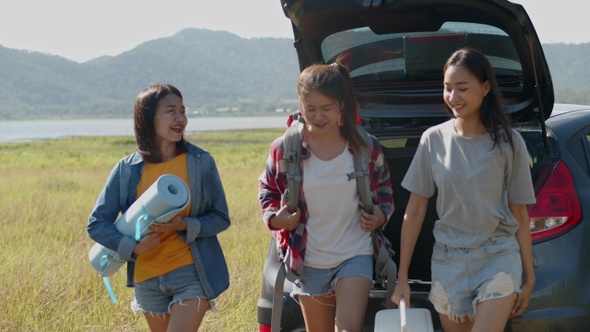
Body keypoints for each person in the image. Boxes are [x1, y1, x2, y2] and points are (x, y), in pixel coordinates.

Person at [391, 47, 536, 332]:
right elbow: (415, 211)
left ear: (484, 88)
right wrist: (402, 277)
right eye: (447, 88)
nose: (453, 97)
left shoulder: (510, 142)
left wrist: (529, 278)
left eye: (462, 88)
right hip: (448, 262)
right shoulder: (432, 140)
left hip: (498, 257)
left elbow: (519, 213)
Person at [258, 61, 394, 331]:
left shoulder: (365, 147)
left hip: (355, 253)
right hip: (308, 259)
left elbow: (385, 189)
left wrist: (381, 215)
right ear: (300, 104)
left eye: (326, 109)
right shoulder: (286, 148)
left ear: (341, 106)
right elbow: (268, 190)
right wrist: (276, 219)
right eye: (310, 109)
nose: (318, 117)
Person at [87, 84, 230, 332]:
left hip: (191, 275)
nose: (180, 118)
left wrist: (185, 225)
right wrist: (134, 247)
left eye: (183, 111)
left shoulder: (200, 162)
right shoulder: (127, 169)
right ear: (147, 117)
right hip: (147, 280)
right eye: (171, 111)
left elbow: (220, 217)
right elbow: (97, 224)